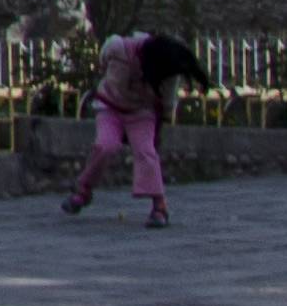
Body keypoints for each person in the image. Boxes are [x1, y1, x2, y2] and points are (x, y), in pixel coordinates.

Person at [63, 29, 204, 228]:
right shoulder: (117, 47)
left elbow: (167, 102)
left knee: (146, 151)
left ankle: (159, 205)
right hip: (110, 106)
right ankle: (82, 191)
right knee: (105, 145)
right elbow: (103, 61)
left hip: (141, 112)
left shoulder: (167, 71)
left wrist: (159, 126)